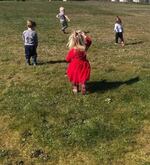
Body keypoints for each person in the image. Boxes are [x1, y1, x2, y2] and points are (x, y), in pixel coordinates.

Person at [65, 30, 91, 95]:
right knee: (82, 76)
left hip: (74, 66)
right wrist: (84, 35)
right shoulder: (84, 49)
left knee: (74, 77)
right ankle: (83, 85)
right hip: (84, 65)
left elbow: (67, 59)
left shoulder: (72, 51)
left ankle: (75, 88)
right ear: (82, 40)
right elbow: (89, 41)